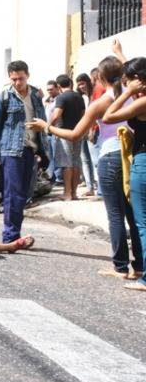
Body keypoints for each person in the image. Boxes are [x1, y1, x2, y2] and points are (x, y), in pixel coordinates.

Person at [27, 55, 143, 282]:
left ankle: (120, 267)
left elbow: (74, 134)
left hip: (110, 158)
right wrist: (121, 55)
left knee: (115, 215)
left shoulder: (103, 103)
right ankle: (139, 266)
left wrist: (46, 127)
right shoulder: (136, 95)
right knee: (134, 215)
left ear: (99, 78)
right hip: (131, 157)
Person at [0, 60, 48, 245]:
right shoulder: (3, 98)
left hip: (30, 150)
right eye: (13, 79)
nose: (17, 83)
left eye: (20, 78)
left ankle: (14, 233)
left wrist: (43, 151)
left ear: (27, 75)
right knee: (12, 194)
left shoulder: (36, 96)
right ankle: (10, 236)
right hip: (10, 151)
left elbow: (42, 123)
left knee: (25, 194)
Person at [102, 57, 146, 292]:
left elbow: (108, 116)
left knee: (143, 223)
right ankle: (141, 269)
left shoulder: (142, 103)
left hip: (143, 161)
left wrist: (126, 92)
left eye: (131, 80)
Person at [50, 74, 85, 200]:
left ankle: (67, 193)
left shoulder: (61, 97)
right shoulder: (79, 97)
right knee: (76, 162)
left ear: (58, 86)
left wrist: (49, 127)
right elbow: (83, 115)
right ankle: (74, 193)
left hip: (64, 132)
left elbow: (56, 115)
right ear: (70, 83)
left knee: (67, 163)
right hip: (78, 132)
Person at [76, 73, 98, 196]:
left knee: (95, 160)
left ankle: (98, 187)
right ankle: (90, 186)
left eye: (83, 83)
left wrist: (91, 130)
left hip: (91, 131)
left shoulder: (94, 95)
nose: (81, 87)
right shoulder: (82, 97)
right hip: (83, 132)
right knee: (84, 160)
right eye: (79, 85)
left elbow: (94, 116)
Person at [44, 80, 63, 184]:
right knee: (50, 155)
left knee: (56, 155)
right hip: (48, 131)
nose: (49, 91)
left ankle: (59, 178)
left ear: (57, 88)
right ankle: (52, 177)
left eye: (51, 89)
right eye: (48, 90)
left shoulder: (59, 100)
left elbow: (56, 116)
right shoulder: (49, 100)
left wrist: (49, 126)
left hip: (55, 130)